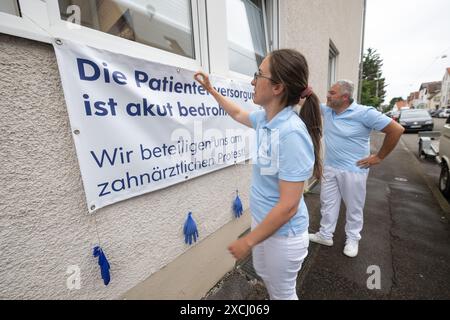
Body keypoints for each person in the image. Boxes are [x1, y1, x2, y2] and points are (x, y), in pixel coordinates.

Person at [194, 49, 322, 300]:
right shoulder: (266, 119)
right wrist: (211, 89)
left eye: (258, 74)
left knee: (283, 295)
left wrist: (248, 241)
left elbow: (288, 206)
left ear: (277, 88)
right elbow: (237, 113)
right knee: (270, 284)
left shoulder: (291, 134)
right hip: (265, 228)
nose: (253, 81)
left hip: (283, 238)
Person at [309, 80, 405, 257]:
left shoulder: (365, 113)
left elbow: (397, 130)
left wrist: (379, 157)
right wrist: (306, 92)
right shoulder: (328, 110)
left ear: (345, 97)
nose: (328, 96)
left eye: (332, 93)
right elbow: (308, 101)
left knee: (354, 207)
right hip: (330, 167)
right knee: (328, 203)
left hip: (354, 170)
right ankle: (325, 234)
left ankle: (353, 239)